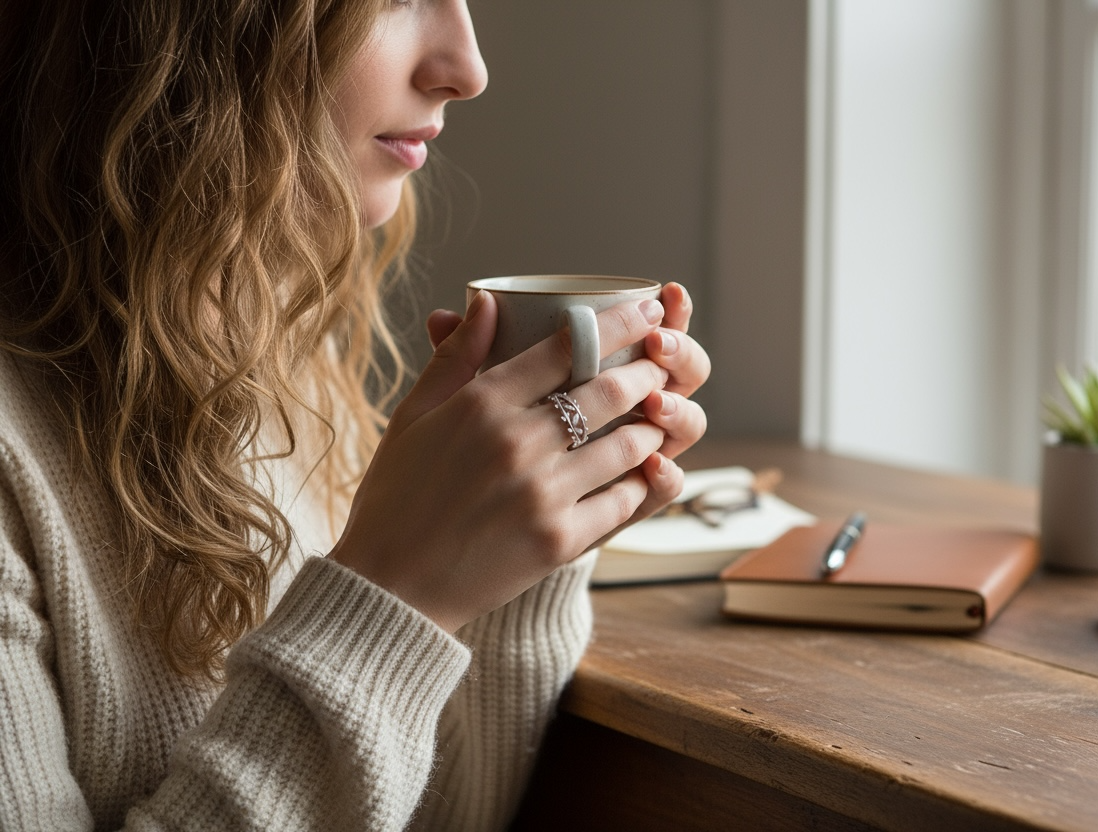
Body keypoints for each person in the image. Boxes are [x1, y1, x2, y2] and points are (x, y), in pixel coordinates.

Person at [0, 0, 710, 829]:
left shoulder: (267, 347)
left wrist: (516, 549)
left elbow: (427, 815)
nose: (468, 68)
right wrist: (393, 591)